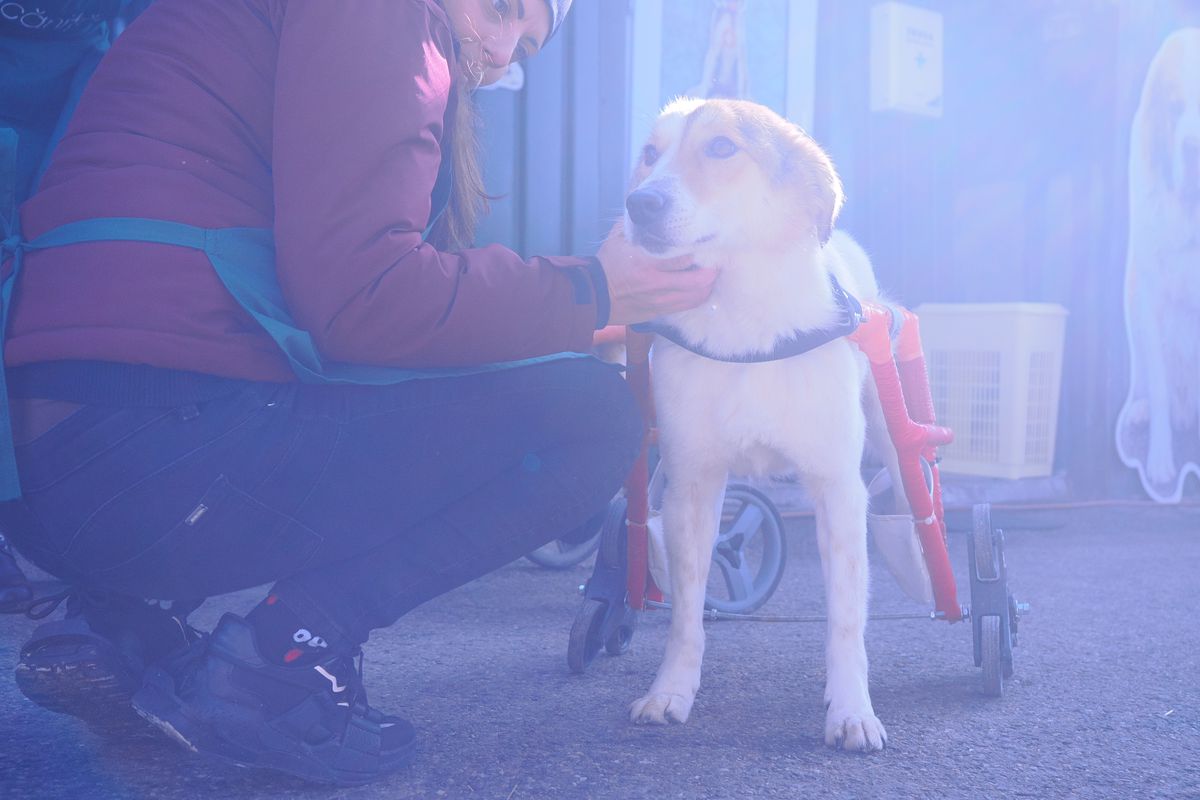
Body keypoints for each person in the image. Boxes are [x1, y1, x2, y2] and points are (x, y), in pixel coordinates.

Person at [0, 0, 716, 786]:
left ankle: (118, 625)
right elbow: (364, 302)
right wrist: (591, 290)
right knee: (592, 416)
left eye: (525, 47)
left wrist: (553, 313)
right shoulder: (380, 11)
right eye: (502, 9)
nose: (501, 50)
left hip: (45, 477)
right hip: (157, 460)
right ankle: (283, 659)